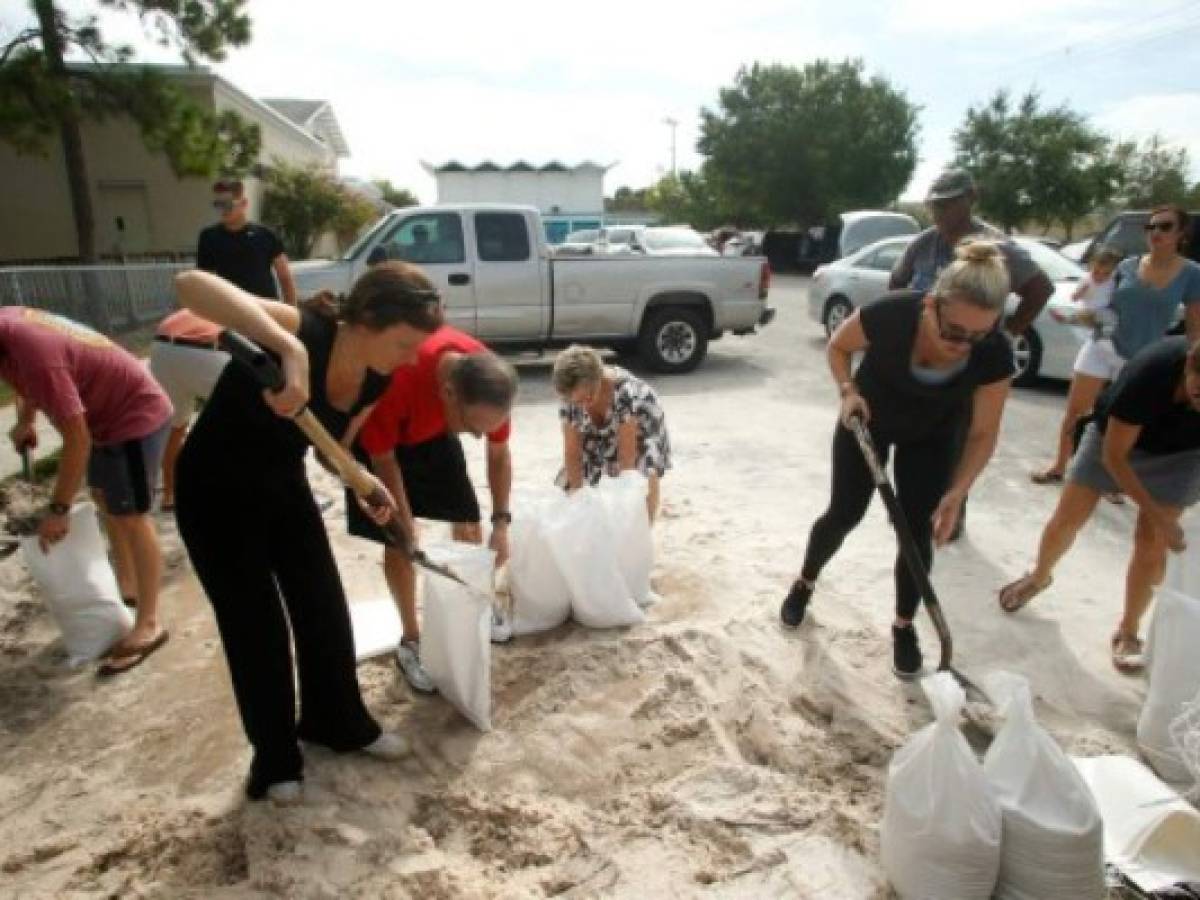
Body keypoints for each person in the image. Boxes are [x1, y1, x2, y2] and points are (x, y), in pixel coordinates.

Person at [172, 262, 443, 802]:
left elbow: (329, 448)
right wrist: (287, 351)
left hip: (282, 486)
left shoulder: (377, 377)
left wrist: (365, 484)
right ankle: (275, 762)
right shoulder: (305, 330)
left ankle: (336, 722)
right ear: (366, 320)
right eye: (405, 343)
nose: (412, 358)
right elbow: (189, 287)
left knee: (322, 606)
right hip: (214, 490)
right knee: (257, 626)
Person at [782, 241, 1015, 679]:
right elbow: (838, 347)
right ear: (931, 305)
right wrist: (848, 392)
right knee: (844, 513)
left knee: (914, 532)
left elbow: (983, 434)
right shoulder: (891, 315)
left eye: (978, 334)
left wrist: (958, 492)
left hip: (933, 437)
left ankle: (904, 625)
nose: (964, 345)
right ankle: (805, 581)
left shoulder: (994, 353)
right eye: (955, 332)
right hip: (867, 422)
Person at [999, 336, 1200, 673]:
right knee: (1068, 517)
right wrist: (1158, 516)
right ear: (1189, 368)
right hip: (1116, 441)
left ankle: (1129, 629)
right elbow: (1115, 458)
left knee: (1152, 543)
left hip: (1183, 453)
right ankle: (1038, 575)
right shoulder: (1152, 373)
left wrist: (1162, 522)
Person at [1, 308, 173, 674]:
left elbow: (75, 439)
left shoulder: (33, 350)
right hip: (104, 420)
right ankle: (126, 590)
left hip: (134, 415)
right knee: (104, 496)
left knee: (131, 516)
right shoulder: (8, 329)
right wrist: (27, 420)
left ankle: (149, 623)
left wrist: (59, 510)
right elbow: (27, 381)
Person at [348, 327, 517, 694]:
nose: (477, 437)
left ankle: (474, 606)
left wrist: (501, 524)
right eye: (473, 428)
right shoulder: (398, 379)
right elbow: (383, 459)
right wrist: (405, 522)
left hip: (436, 432)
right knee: (398, 540)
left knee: (469, 523)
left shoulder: (489, 384)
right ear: (448, 392)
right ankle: (412, 639)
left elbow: (499, 454)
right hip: (384, 446)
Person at [889, 168, 1053, 540]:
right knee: (914, 433)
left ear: (970, 199)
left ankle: (952, 509)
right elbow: (897, 283)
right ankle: (913, 506)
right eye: (935, 206)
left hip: (967, 365)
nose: (942, 213)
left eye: (950, 204)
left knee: (960, 439)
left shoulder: (998, 248)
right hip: (923, 360)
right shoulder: (923, 244)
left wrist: (1006, 334)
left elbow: (1040, 289)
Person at [1030, 245, 1124, 486]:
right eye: (1096, 270)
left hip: (1126, 348)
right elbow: (1083, 305)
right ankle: (1060, 465)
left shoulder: (1124, 278)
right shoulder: (1104, 277)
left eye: (1104, 272)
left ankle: (1112, 479)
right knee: (1076, 410)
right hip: (1097, 342)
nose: (1099, 275)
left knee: (1119, 416)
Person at [552, 345, 672, 522]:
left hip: (641, 424)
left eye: (589, 397)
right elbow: (572, 453)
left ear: (599, 379)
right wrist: (578, 497)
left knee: (642, 472)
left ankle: (644, 526)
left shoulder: (624, 393)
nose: (584, 405)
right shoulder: (570, 399)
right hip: (596, 429)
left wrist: (625, 515)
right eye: (578, 401)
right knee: (572, 489)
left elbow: (627, 460)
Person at [148, 308, 228, 511]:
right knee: (239, 414)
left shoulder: (194, 306)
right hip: (202, 351)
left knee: (174, 427)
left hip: (161, 348)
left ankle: (170, 494)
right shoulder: (240, 301)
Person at [198, 179, 297, 305]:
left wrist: (292, 315)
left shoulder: (266, 235)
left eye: (227, 204)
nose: (222, 210)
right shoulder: (209, 237)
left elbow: (285, 278)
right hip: (228, 312)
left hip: (266, 311)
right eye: (218, 205)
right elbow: (204, 281)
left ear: (244, 203)